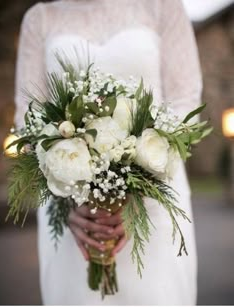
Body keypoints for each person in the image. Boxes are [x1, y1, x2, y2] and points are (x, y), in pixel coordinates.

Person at [14, 0, 202, 305]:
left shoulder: (163, 7)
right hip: (71, 210)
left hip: (155, 203)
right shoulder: (40, 18)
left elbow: (185, 104)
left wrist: (140, 190)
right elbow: (28, 116)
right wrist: (70, 200)